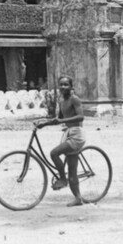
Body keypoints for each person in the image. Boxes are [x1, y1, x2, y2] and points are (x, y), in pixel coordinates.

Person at [35, 75, 87, 207]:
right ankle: (78, 198)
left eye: (66, 84)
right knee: (72, 170)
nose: (63, 87)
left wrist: (62, 121)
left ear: (71, 87)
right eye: (61, 84)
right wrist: (43, 123)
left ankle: (62, 179)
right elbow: (57, 119)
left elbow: (81, 116)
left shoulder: (74, 99)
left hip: (77, 135)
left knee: (54, 153)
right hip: (68, 134)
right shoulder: (61, 100)